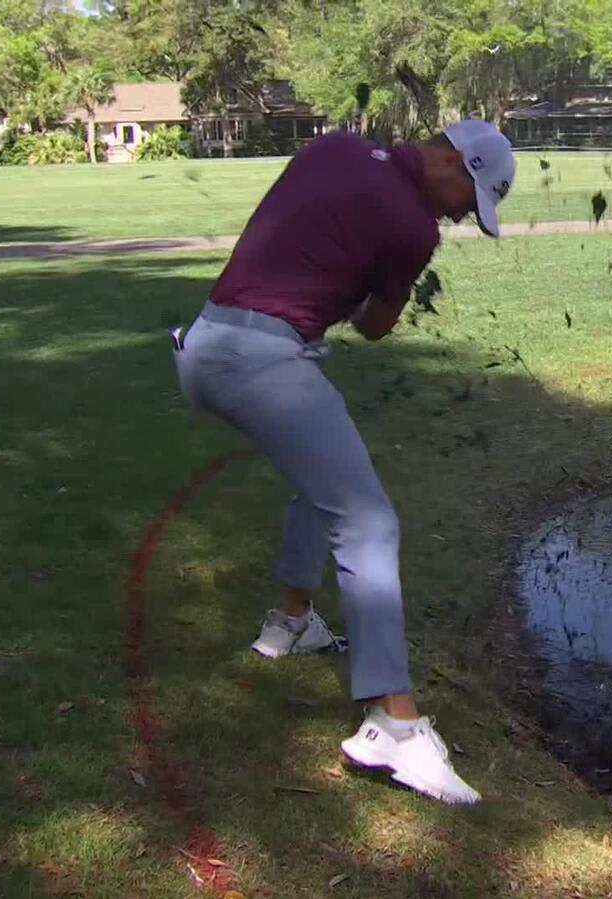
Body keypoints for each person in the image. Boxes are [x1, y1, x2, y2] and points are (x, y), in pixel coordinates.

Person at [171, 120, 516, 806]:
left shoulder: (334, 144)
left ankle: (291, 621)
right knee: (370, 525)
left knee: (325, 483)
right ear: (450, 157)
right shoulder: (415, 230)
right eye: (464, 196)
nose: (457, 214)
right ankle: (395, 726)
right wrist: (391, 282)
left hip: (207, 342)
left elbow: (299, 235)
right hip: (262, 360)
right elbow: (373, 326)